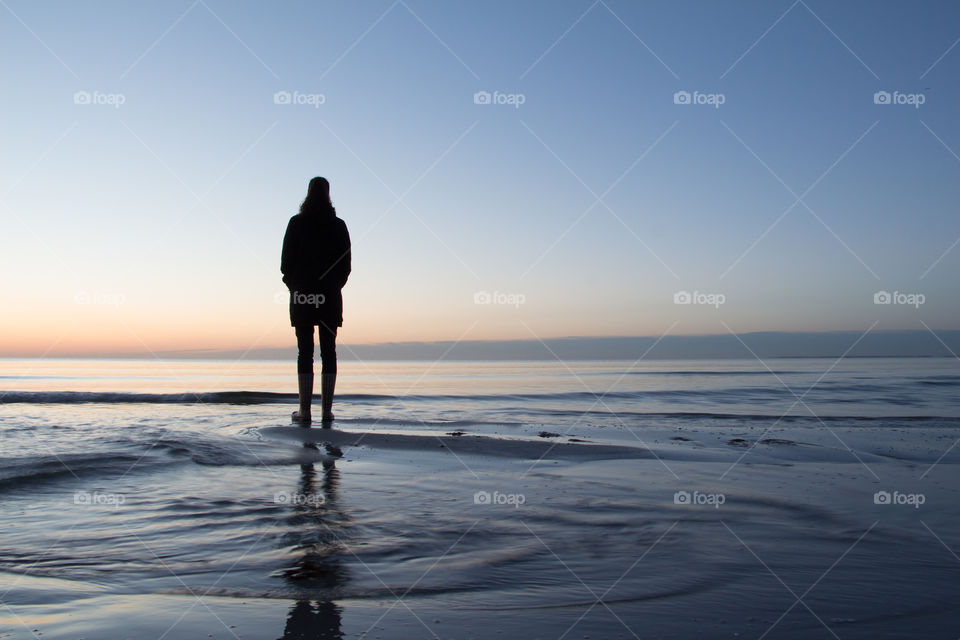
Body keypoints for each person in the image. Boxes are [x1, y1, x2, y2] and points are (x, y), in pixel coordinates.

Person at [281, 177, 351, 424]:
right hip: (330, 296)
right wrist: (332, 287)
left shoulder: (296, 223)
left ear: (307, 194)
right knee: (329, 351)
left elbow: (285, 265)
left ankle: (305, 411)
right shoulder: (338, 225)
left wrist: (295, 286)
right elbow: (346, 267)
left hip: (302, 295)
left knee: (305, 351)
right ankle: (326, 411)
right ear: (328, 194)